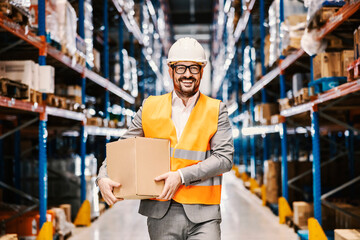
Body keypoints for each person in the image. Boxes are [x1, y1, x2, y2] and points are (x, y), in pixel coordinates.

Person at [97, 37, 234, 240]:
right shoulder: (150, 107)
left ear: (202, 72)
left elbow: (224, 159)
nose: (187, 74)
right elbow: (123, 147)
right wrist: (103, 175)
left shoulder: (216, 109)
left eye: (194, 68)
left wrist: (180, 176)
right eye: (180, 68)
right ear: (171, 71)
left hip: (204, 214)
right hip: (161, 212)